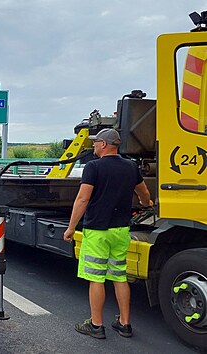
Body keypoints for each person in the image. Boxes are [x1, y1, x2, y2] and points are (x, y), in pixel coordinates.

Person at [63, 128, 153, 339]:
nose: (93, 145)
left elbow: (83, 199)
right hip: (121, 231)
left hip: (97, 231)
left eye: (96, 142)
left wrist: (70, 227)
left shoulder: (93, 167)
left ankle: (96, 325)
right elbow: (144, 192)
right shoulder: (131, 167)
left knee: (96, 278)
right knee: (119, 276)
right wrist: (146, 203)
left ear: (104, 144)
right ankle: (125, 323)